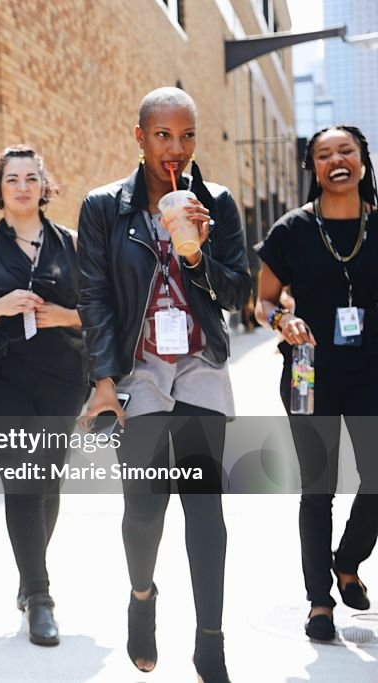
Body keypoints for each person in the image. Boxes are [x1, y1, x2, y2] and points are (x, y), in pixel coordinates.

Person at [77, 87, 250, 683]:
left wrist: (198, 255)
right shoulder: (104, 207)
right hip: (140, 369)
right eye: (163, 136)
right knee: (145, 509)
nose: (176, 148)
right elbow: (94, 295)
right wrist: (102, 379)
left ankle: (210, 640)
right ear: (140, 137)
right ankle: (142, 597)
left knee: (205, 511)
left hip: (200, 367)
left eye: (187, 136)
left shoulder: (217, 202)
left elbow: (238, 294)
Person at [0, 145, 87, 646]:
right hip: (0, 379)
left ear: (44, 186)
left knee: (48, 486)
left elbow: (103, 311)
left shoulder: (71, 244)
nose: (23, 186)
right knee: (23, 483)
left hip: (63, 377)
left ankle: (29, 583)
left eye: (32, 178)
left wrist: (67, 316)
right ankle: (42, 598)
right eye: (13, 179)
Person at [254, 124, 378, 642]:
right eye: (323, 154)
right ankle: (319, 601)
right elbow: (260, 304)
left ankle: (346, 560)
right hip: (308, 370)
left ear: (364, 160)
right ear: (314, 169)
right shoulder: (291, 230)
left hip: (372, 370)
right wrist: (284, 323)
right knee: (318, 488)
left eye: (345, 150)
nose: (336, 160)